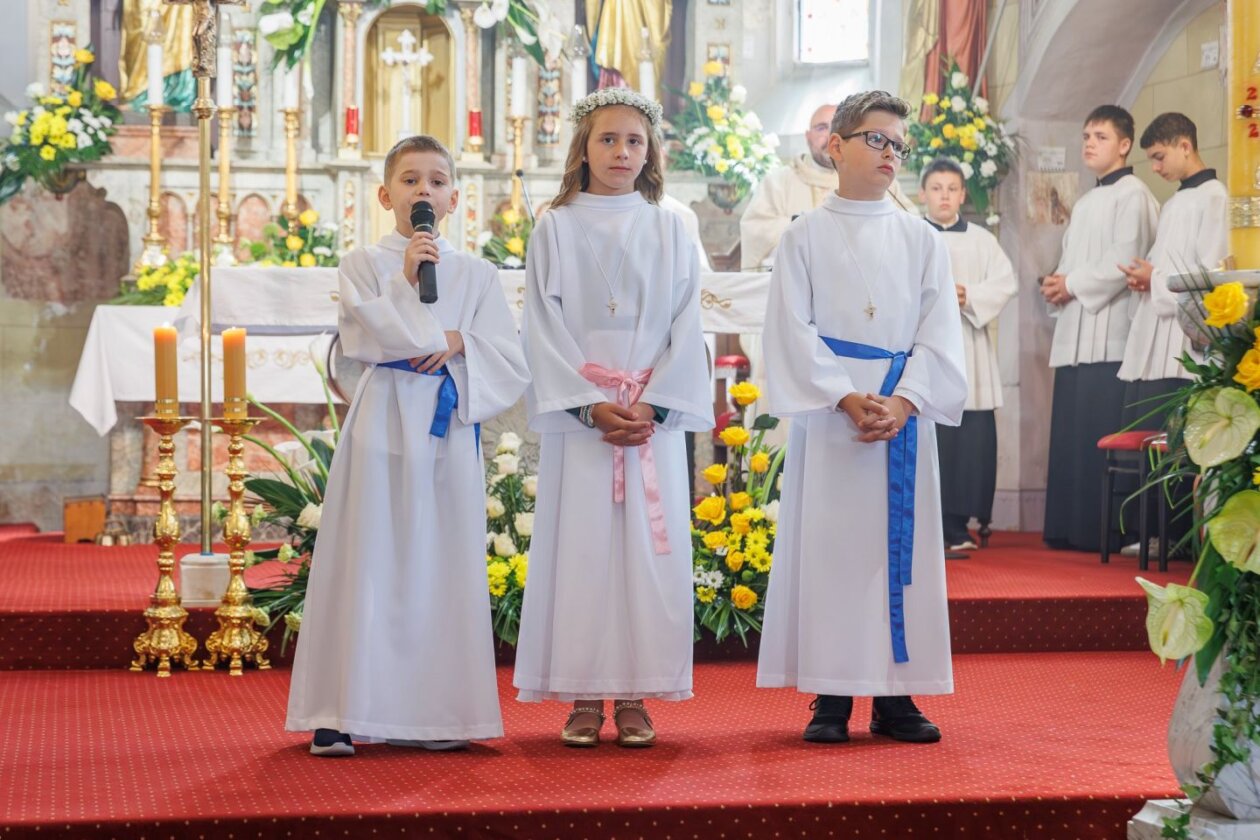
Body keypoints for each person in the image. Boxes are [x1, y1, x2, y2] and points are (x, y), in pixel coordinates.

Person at [285, 136, 531, 755]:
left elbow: (506, 355)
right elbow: (369, 340)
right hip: (384, 416)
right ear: (385, 193)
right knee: (366, 553)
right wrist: (412, 296)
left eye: (437, 181)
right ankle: (337, 710)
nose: (424, 190)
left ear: (454, 198)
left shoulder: (476, 273)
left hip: (447, 424)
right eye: (410, 179)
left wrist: (456, 341)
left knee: (438, 559)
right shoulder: (364, 263)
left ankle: (437, 712)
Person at [756, 91, 967, 744]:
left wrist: (904, 400)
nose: (890, 154)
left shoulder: (921, 239)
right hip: (833, 416)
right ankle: (831, 694)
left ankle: (897, 695)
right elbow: (790, 329)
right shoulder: (803, 235)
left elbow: (940, 330)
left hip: (901, 415)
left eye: (899, 144)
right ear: (836, 144)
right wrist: (845, 397)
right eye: (877, 139)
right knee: (833, 552)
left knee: (894, 557)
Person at [513, 88, 713, 748]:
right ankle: (580, 696)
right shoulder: (557, 225)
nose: (621, 151)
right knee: (583, 557)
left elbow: (689, 321)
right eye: (607, 139)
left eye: (634, 140)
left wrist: (653, 403)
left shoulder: (670, 223)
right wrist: (587, 404)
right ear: (583, 148)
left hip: (648, 418)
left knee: (645, 561)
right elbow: (541, 323)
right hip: (587, 422)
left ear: (651, 149)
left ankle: (634, 695)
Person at [1041, 105, 1158, 553]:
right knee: (1073, 432)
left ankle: (1106, 529)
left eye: (1100, 136)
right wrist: (1057, 284)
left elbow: (1126, 262)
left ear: (1125, 145)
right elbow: (1072, 261)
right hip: (1074, 332)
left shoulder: (1134, 195)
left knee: (1100, 428)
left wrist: (1070, 283)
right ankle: (1071, 528)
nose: (1089, 143)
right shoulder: (1088, 200)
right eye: (1086, 135)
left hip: (1112, 335)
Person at [1116, 112, 1228, 554]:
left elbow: (1209, 271)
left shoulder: (1215, 197)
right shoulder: (1179, 200)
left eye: (1160, 157)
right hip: (1155, 334)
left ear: (1186, 145)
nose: (1156, 168)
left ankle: (1176, 539)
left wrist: (1154, 276)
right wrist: (1148, 276)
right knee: (1154, 436)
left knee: (1177, 440)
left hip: (1183, 338)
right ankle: (1153, 533)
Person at [918, 157, 1016, 552]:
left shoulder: (981, 240)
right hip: (922, 346)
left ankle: (958, 526)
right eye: (936, 188)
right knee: (929, 432)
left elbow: (1005, 282)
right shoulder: (909, 234)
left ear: (962, 194)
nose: (944, 196)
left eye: (952, 189)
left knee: (968, 438)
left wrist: (969, 295)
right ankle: (925, 525)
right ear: (922, 193)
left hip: (968, 344)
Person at [740, 103, 919, 271]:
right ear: (807, 136)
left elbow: (912, 227)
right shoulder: (778, 182)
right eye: (821, 128)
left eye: (836, 127)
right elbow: (755, 229)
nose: (829, 135)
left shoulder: (877, 180)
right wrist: (803, 225)